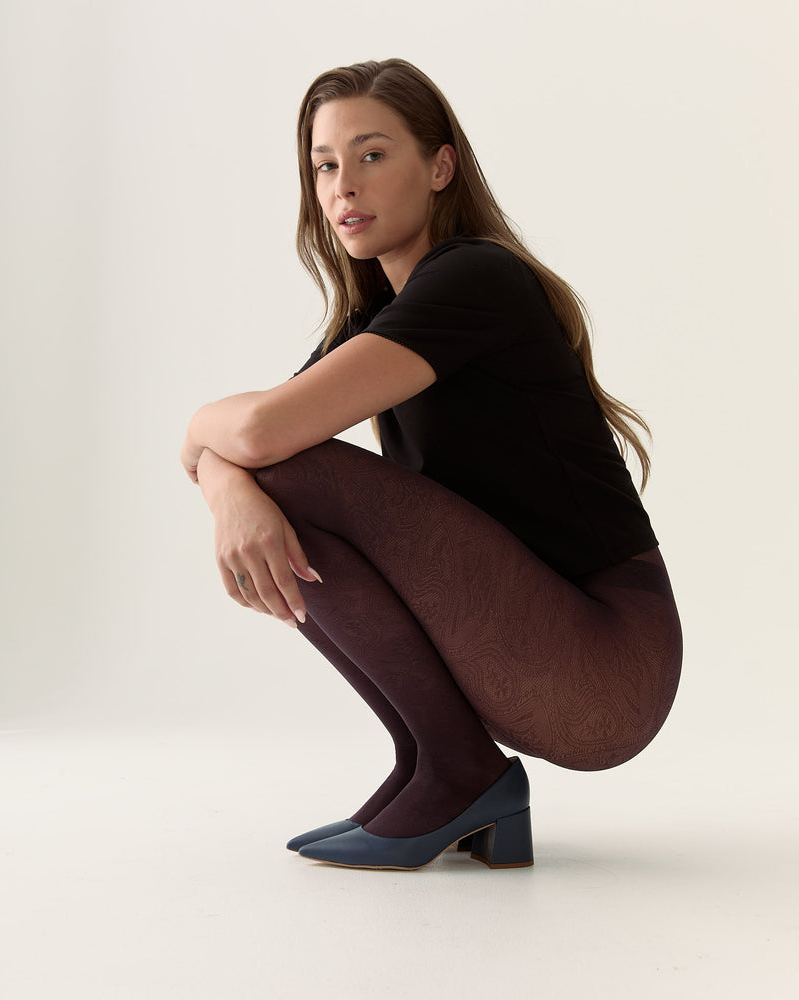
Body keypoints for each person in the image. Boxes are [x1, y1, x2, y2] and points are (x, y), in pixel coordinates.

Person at [180, 58, 682, 871]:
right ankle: (433, 762)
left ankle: (459, 770)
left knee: (287, 471)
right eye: (324, 165)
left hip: (606, 661)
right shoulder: (377, 321)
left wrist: (210, 442)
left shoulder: (476, 281)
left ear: (440, 167)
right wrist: (228, 480)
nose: (344, 186)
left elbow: (260, 433)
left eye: (372, 155)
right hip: (532, 645)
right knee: (277, 477)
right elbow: (247, 445)